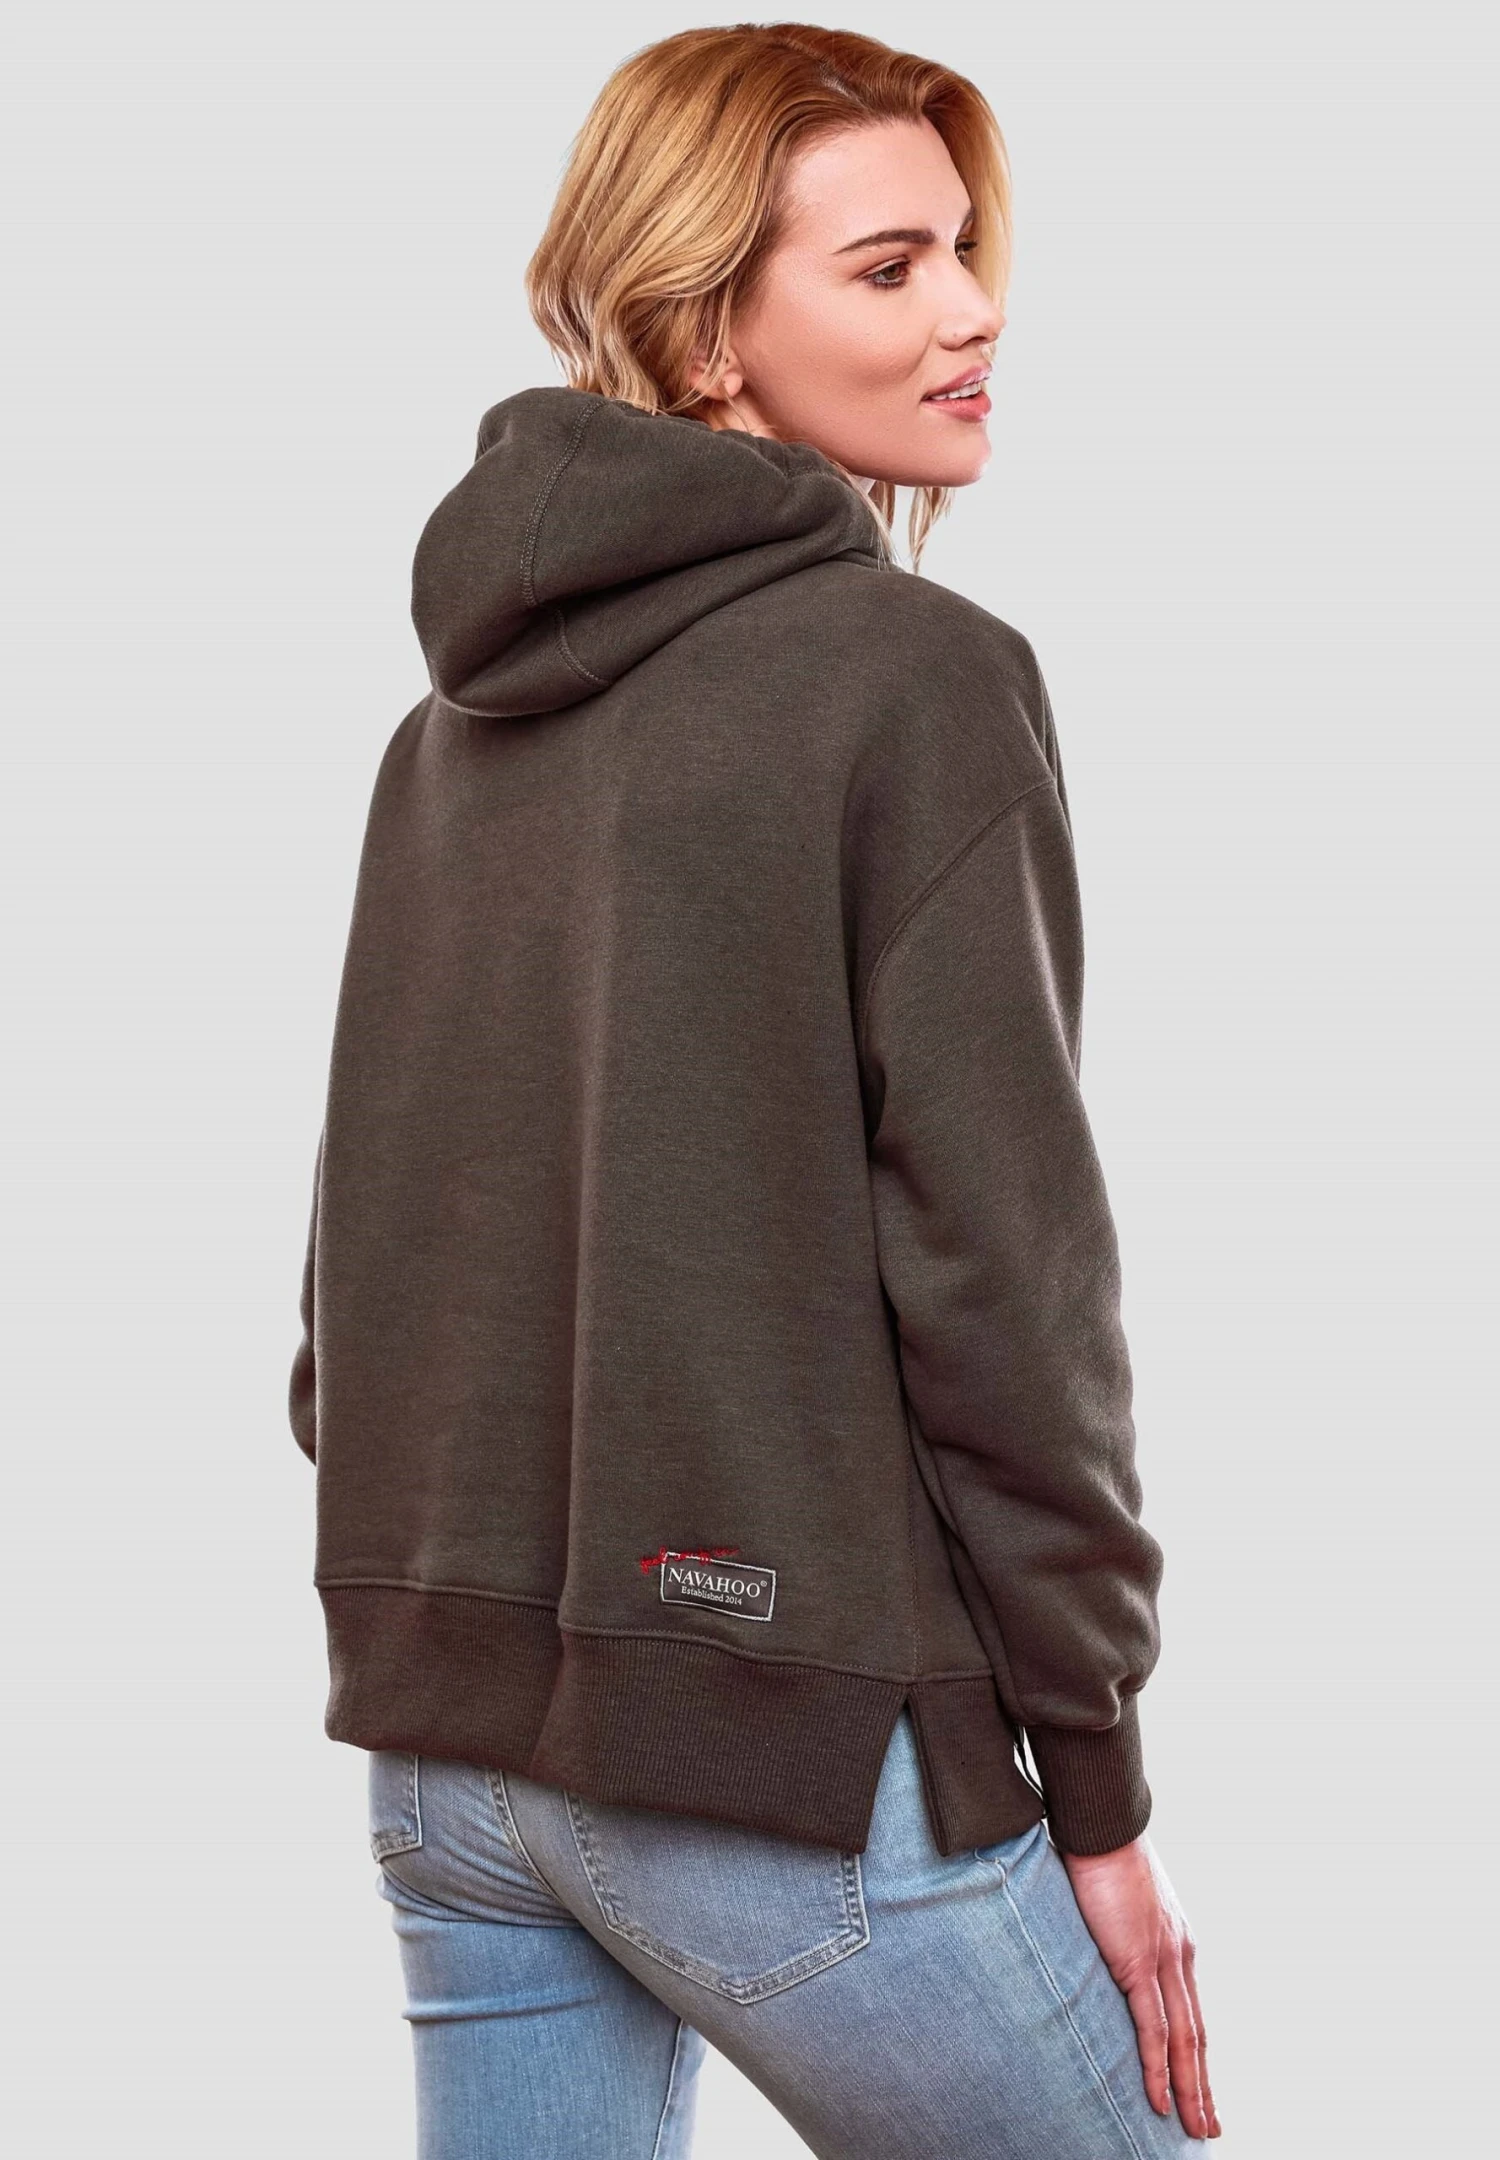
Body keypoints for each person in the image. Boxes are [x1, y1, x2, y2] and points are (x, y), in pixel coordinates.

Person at [289, 23, 1220, 2158]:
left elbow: (350, 1303)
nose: (974, 311)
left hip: (448, 1763)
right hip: (789, 1774)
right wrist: (1097, 1791)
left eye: (964, 250)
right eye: (888, 269)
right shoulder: (919, 679)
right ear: (707, 330)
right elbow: (1005, 1296)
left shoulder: (445, 734)